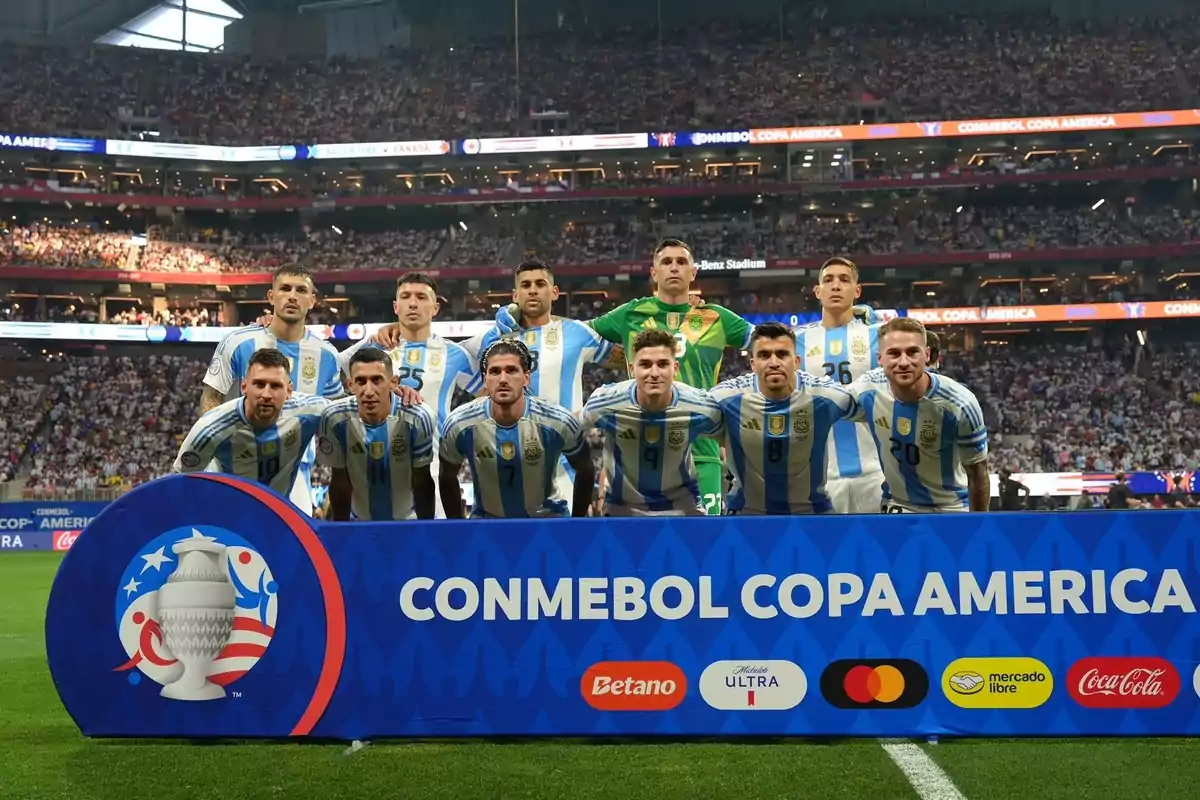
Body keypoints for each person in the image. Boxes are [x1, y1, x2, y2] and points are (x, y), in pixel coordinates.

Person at [201, 264, 343, 515]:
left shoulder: (327, 355)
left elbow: (333, 417)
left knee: (290, 549)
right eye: (285, 288)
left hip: (294, 471)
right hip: (232, 467)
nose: (292, 295)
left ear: (311, 300)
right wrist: (218, 444)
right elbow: (211, 397)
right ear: (270, 296)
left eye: (301, 290)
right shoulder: (238, 342)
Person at [339, 272, 482, 517]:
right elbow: (335, 371)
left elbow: (487, 393)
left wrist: (460, 431)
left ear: (435, 307)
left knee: (432, 548)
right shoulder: (374, 347)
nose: (413, 303)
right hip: (372, 466)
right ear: (396, 306)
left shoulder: (454, 353)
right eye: (405, 297)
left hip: (433, 468)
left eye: (421, 297)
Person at [711, 322, 857, 515]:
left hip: (811, 513)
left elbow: (870, 405)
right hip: (746, 514)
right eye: (764, 355)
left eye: (782, 354)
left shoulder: (826, 396)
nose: (774, 363)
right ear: (752, 364)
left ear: (796, 361)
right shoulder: (726, 397)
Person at [847, 317, 990, 513]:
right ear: (879, 358)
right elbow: (827, 403)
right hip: (896, 506)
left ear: (927, 354)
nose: (904, 362)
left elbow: (978, 473)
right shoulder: (868, 388)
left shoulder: (960, 404)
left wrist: (977, 527)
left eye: (912, 352)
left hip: (950, 508)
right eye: (894, 353)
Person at [438, 340, 594, 518]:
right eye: (495, 372)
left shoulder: (558, 421)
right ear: (485, 380)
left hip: (547, 521)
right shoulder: (460, 424)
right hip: (486, 524)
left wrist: (577, 522)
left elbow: (585, 469)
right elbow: (447, 475)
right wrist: (457, 525)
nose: (503, 379)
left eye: (511, 370)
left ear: (526, 378)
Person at [579, 329, 725, 516]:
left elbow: (731, 440)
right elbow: (570, 429)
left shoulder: (700, 406)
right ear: (632, 369)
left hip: (682, 507)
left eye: (663, 364)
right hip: (622, 508)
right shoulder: (606, 403)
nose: (654, 373)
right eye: (645, 365)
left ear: (675, 368)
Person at [795, 257, 889, 514]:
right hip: (820, 474)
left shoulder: (880, 336)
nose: (836, 286)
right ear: (818, 291)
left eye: (844, 280)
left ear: (857, 291)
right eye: (828, 280)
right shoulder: (795, 340)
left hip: (876, 471)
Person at [174, 349, 327, 501]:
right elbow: (180, 483)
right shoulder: (211, 429)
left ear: (289, 391)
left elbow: (346, 411)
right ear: (244, 387)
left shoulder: (310, 411)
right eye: (259, 384)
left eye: (275, 386)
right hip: (228, 513)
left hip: (279, 512)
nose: (266, 395)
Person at [318, 347, 437, 521]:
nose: (368, 391)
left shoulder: (418, 417)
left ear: (393, 382)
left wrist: (426, 529)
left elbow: (422, 482)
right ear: (350, 385)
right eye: (360, 381)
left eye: (377, 380)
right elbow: (340, 481)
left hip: (408, 522)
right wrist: (340, 533)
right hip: (357, 523)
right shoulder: (334, 417)